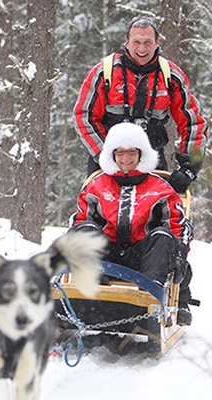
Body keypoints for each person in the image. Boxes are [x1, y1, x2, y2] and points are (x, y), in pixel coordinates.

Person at [70, 122, 195, 325]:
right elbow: (81, 221)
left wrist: (179, 255)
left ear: (141, 154)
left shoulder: (160, 189)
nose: (126, 159)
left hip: (143, 260)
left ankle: (150, 297)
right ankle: (88, 296)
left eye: (131, 153)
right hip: (105, 259)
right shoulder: (96, 186)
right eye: (120, 153)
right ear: (112, 155)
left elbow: (177, 228)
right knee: (85, 231)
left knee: (163, 236)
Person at [73, 15, 208, 193]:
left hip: (153, 160)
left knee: (156, 215)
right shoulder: (103, 72)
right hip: (106, 162)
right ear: (126, 42)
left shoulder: (171, 76)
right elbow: (84, 117)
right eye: (136, 42)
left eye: (147, 42)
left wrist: (189, 167)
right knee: (99, 214)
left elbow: (193, 123)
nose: (142, 48)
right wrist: (105, 154)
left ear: (157, 43)